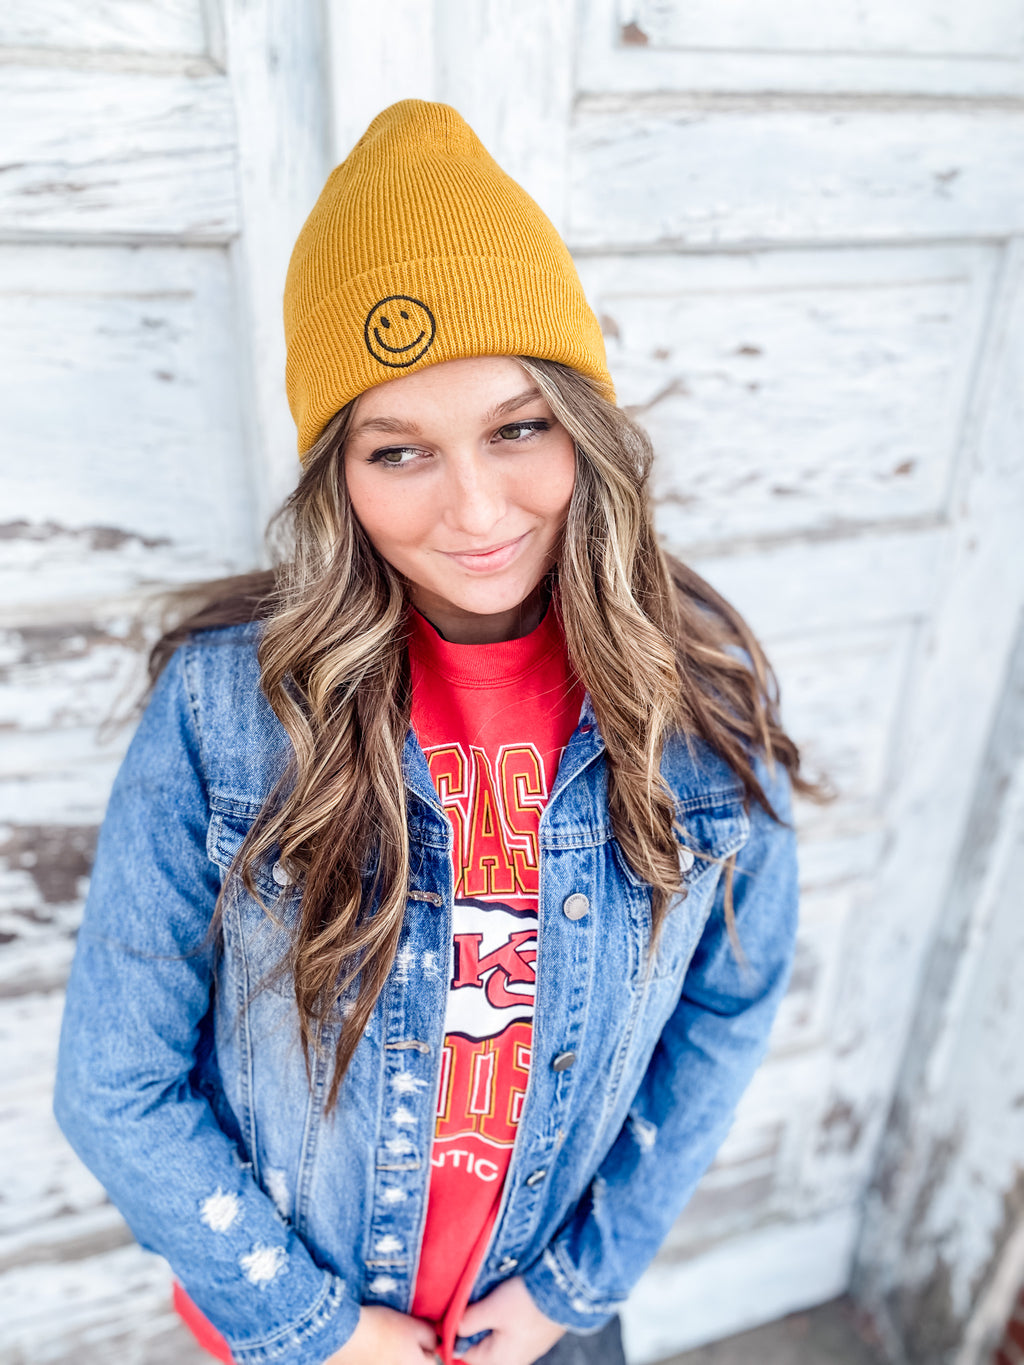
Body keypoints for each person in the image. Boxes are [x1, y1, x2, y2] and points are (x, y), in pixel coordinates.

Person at [53, 100, 818, 1365]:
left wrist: (580, 1283)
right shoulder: (224, 716)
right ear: (336, 478)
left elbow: (726, 1012)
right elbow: (116, 1089)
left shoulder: (703, 714)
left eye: (518, 428)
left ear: (587, 427)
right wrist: (314, 1326)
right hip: (298, 1325)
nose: (474, 510)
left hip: (546, 1321)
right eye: (398, 449)